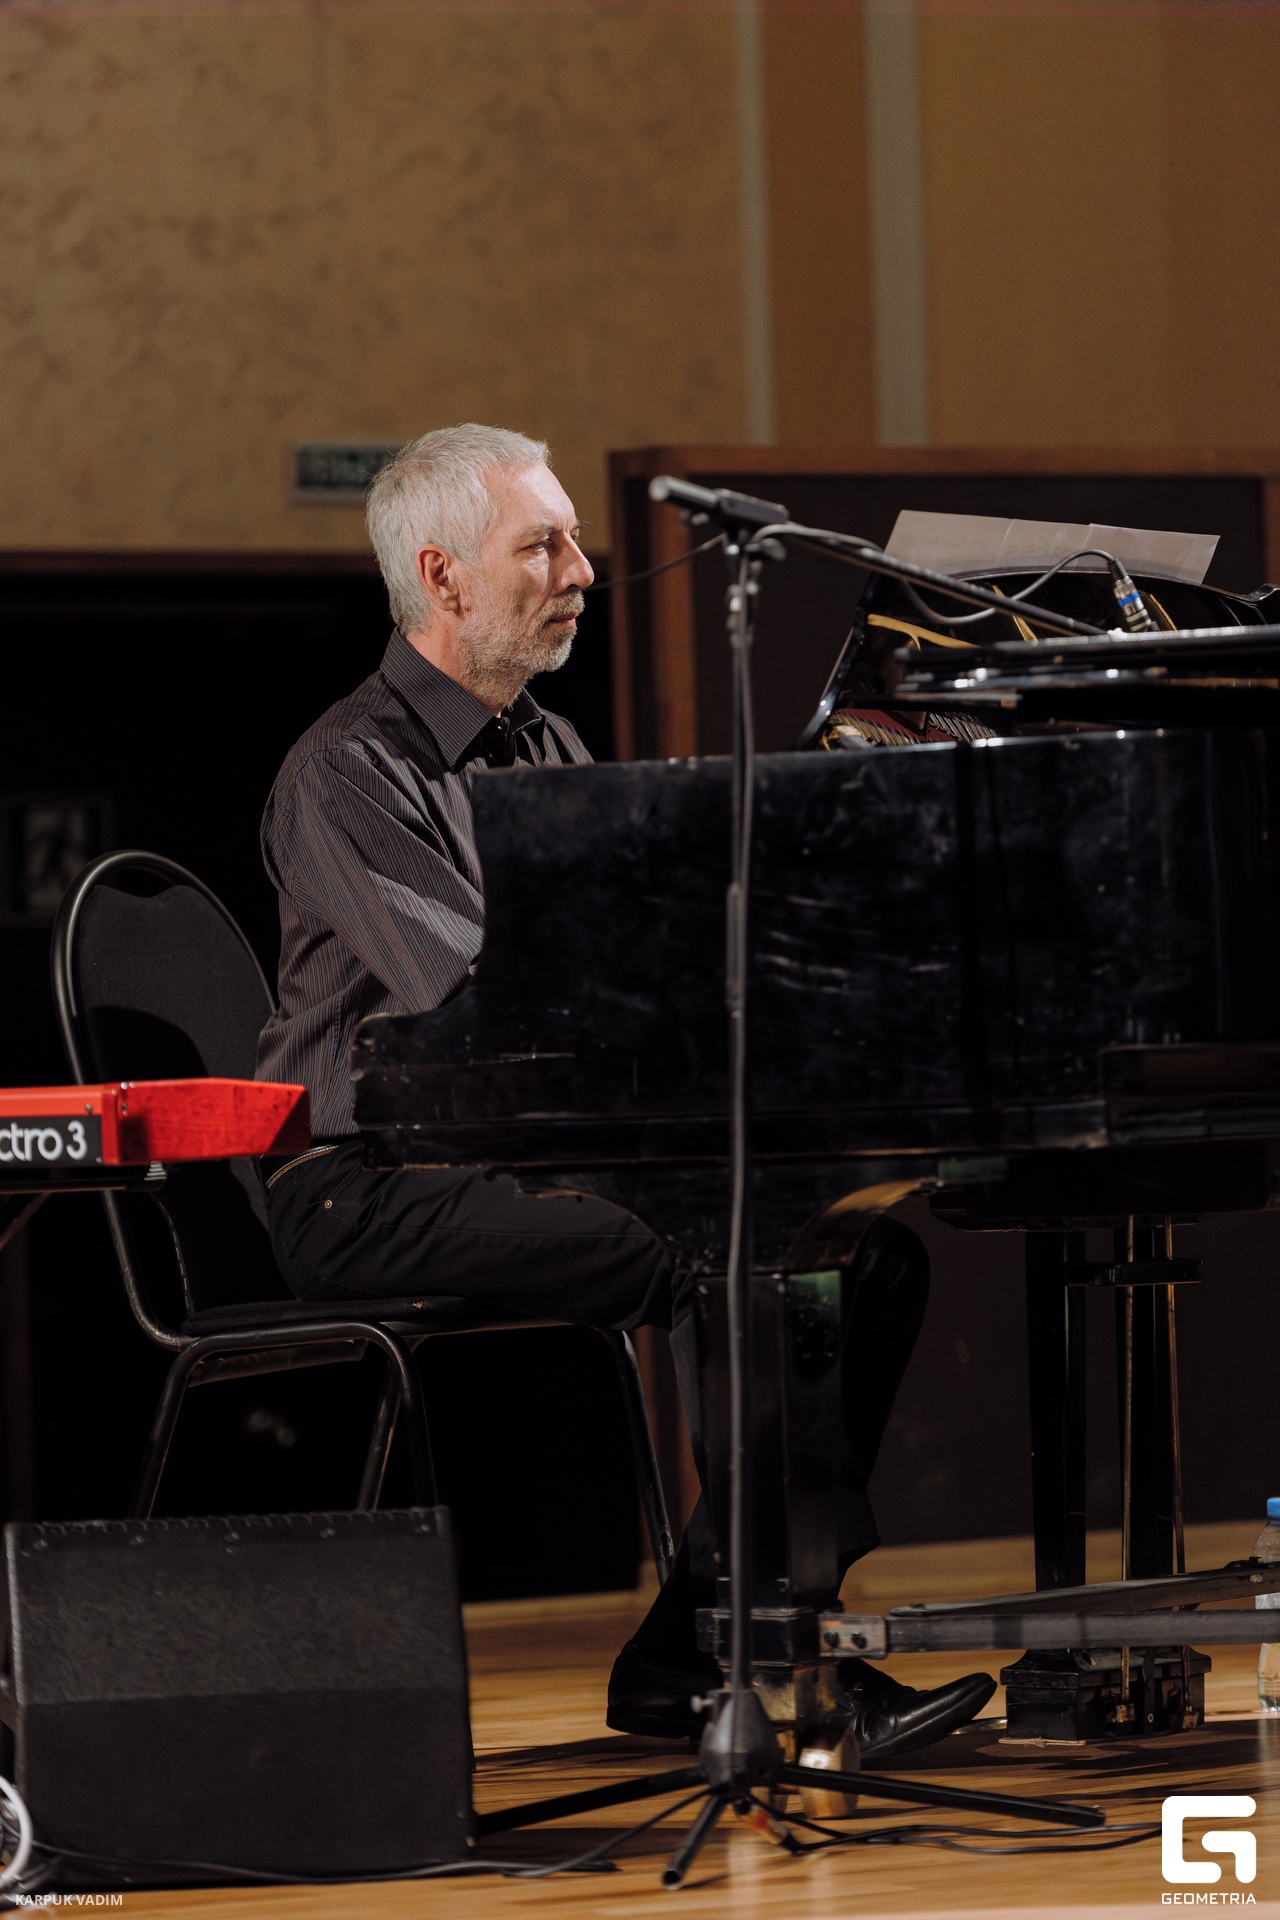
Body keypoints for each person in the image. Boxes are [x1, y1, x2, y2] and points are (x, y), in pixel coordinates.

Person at [256, 423, 994, 1754]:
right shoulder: (346, 770)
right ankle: (763, 1659)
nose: (583, 571)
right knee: (722, 1246)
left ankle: (696, 1651)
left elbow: (626, 965)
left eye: (576, 544)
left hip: (525, 1153)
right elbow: (482, 996)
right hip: (360, 1185)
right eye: (542, 546)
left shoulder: (546, 744)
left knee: (865, 1255)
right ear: (442, 575)